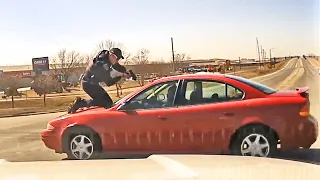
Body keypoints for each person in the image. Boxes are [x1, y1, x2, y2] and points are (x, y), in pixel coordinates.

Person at [68, 48, 132, 113]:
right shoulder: (103, 64)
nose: (117, 61)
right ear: (112, 56)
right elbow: (108, 82)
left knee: (108, 103)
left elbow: (116, 66)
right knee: (107, 103)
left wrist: (124, 71)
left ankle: (82, 103)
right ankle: (81, 103)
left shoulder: (104, 57)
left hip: (91, 83)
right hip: (89, 84)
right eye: (117, 59)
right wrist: (121, 75)